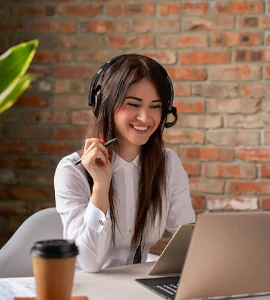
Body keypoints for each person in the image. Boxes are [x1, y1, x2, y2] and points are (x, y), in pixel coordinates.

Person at [54, 54, 196, 273]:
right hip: (86, 289)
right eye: (133, 104)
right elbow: (89, 264)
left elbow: (189, 238)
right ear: (104, 104)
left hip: (136, 288)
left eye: (155, 106)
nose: (145, 118)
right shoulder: (71, 171)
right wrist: (101, 187)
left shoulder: (168, 164)